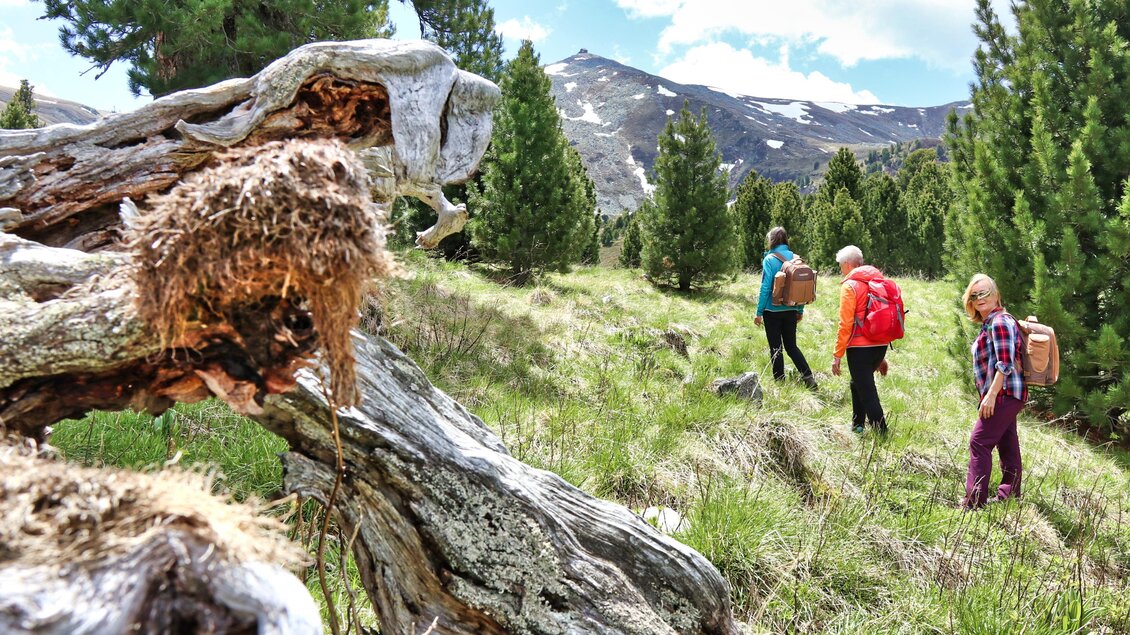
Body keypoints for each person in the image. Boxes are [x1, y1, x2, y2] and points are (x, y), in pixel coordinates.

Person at [960, 273, 1026, 509]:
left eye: (985, 292)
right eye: (974, 295)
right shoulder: (992, 322)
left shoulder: (999, 322)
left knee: (979, 442)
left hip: (1004, 393)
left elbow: (1005, 363)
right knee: (1007, 443)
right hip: (1007, 393)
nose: (980, 298)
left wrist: (990, 396)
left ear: (996, 294)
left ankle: (973, 503)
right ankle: (1010, 496)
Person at [831, 245, 889, 433]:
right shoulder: (879, 282)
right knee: (857, 383)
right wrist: (882, 357)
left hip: (859, 349)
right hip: (880, 345)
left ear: (848, 265)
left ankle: (882, 434)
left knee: (868, 392)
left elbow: (845, 324)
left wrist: (837, 355)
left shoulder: (850, 286)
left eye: (840, 265)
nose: (841, 269)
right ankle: (857, 426)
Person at [754, 227, 817, 389]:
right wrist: (800, 310)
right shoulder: (796, 259)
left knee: (776, 347)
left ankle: (780, 382)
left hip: (771, 310)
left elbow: (766, 287)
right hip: (791, 309)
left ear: (772, 240)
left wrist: (759, 312)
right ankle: (808, 377)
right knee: (791, 346)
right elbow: (802, 287)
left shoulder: (769, 260)